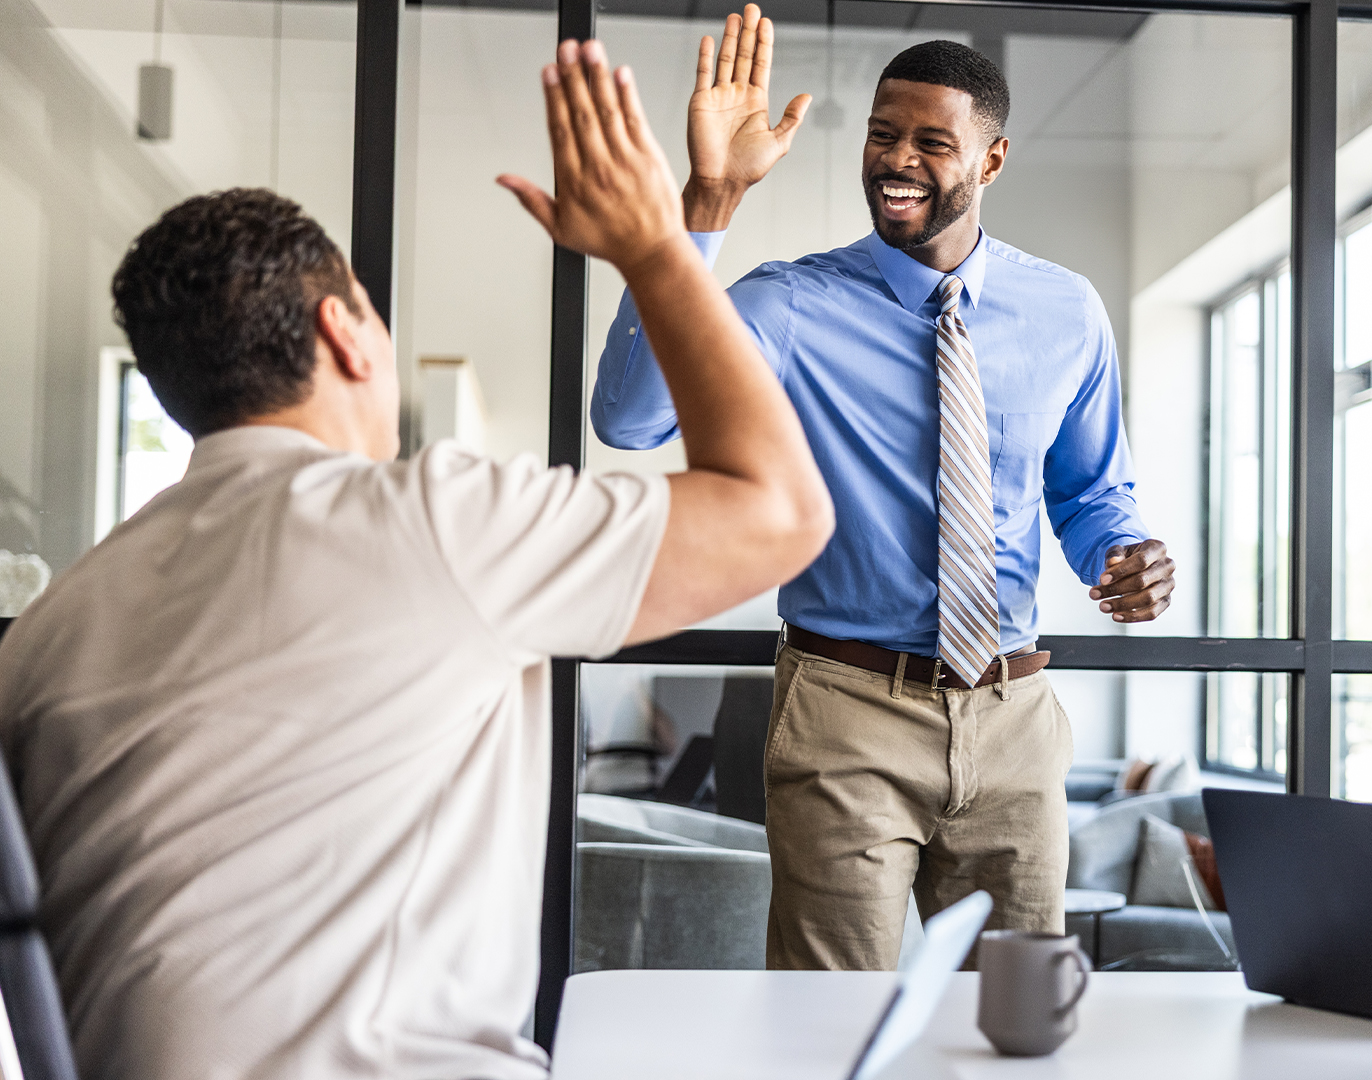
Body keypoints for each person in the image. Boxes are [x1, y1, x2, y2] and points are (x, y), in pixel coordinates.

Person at [0, 40, 830, 1080]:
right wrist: (661, 245)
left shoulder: (48, 627)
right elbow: (783, 512)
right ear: (345, 334)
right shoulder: (428, 523)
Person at [592, 9, 1176, 970]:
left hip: (1016, 720)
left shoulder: (1066, 312)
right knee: (831, 1027)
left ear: (989, 163)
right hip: (845, 712)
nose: (896, 159)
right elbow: (630, 419)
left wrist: (1125, 553)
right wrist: (708, 198)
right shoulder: (792, 303)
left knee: (1017, 1016)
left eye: (931, 143)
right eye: (882, 133)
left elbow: (1089, 491)